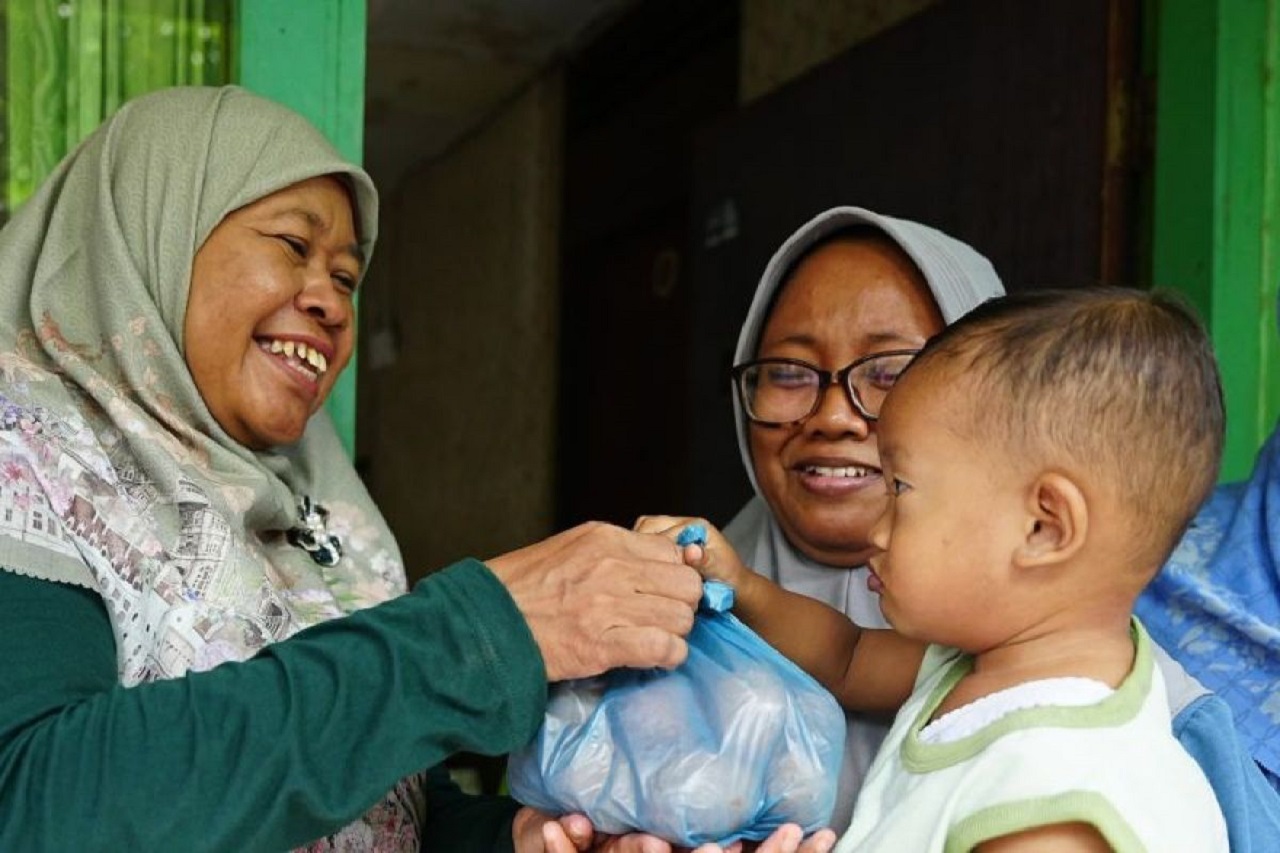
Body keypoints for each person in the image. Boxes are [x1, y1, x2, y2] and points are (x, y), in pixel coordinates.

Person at [0, 85, 828, 853]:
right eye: (293, 245)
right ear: (153, 231)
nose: (331, 302)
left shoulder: (319, 517)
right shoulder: (29, 461)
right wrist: (475, 633)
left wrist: (528, 840)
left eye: (346, 277)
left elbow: (393, 812)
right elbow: (33, 803)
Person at [648, 205, 1280, 849]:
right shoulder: (982, 664)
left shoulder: (1055, 795)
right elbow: (845, 654)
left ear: (1043, 527)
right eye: (787, 371)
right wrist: (744, 587)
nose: (878, 530)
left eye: (901, 488)